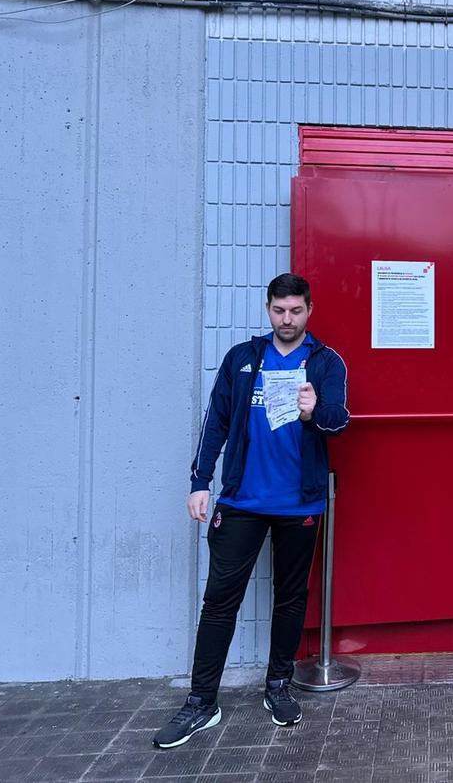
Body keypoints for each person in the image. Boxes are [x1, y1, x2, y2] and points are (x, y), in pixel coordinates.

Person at [153, 273, 350, 749]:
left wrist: (314, 412)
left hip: (299, 502)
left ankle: (278, 686)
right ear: (268, 310)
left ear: (309, 310)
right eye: (279, 310)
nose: (287, 319)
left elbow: (340, 421)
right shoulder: (243, 358)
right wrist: (200, 482)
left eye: (296, 310)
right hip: (241, 500)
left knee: (290, 597)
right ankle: (202, 702)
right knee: (220, 600)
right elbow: (215, 422)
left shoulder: (325, 361)